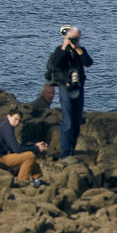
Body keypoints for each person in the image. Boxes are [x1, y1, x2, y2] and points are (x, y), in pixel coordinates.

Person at [47, 26, 94, 159]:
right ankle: (65, 154)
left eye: (76, 38)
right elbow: (55, 63)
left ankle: (71, 151)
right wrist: (65, 46)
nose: (74, 40)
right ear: (66, 37)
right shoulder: (60, 50)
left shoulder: (80, 51)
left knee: (76, 121)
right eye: (72, 38)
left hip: (78, 88)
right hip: (65, 88)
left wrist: (77, 49)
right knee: (67, 122)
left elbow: (88, 62)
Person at [0, 110, 46, 186]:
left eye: (19, 121)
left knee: (31, 154)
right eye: (15, 119)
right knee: (30, 156)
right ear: (8, 116)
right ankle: (22, 182)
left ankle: (37, 180)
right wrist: (36, 148)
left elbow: (16, 146)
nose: (17, 123)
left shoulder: (5, 125)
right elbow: (17, 149)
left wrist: (34, 146)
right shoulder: (7, 128)